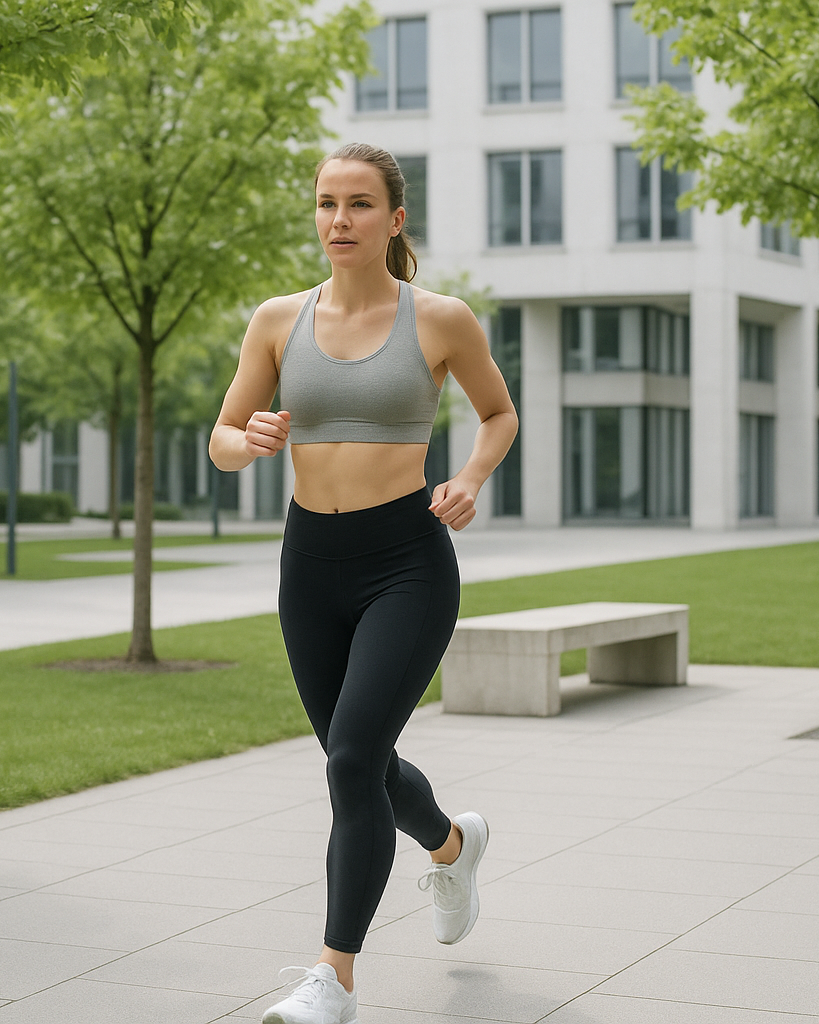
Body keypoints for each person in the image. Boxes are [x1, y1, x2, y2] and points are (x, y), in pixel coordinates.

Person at [209, 142, 519, 1024]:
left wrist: (468, 478)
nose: (337, 220)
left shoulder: (440, 318)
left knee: (350, 759)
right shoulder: (277, 319)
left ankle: (331, 979)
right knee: (362, 762)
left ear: (394, 218)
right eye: (324, 204)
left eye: (356, 204)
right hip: (308, 564)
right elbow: (222, 439)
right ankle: (453, 847)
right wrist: (253, 438)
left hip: (406, 563)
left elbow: (498, 412)